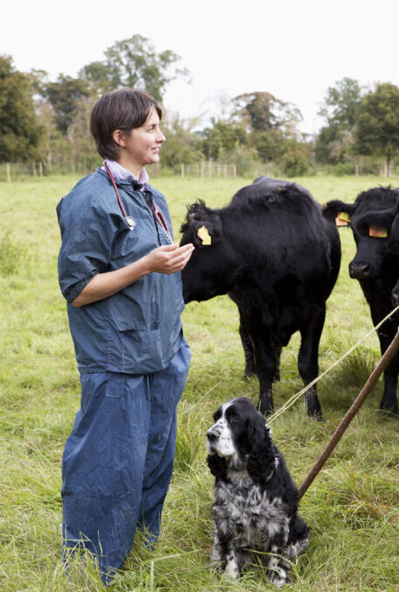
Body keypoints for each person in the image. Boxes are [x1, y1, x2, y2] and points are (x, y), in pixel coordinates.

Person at [56, 88, 195, 584]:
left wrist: (170, 267)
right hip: (115, 360)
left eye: (159, 125)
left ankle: (136, 549)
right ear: (120, 138)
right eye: (151, 128)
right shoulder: (88, 201)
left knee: (155, 460)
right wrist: (144, 265)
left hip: (160, 354)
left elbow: (155, 274)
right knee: (108, 467)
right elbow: (78, 289)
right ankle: (93, 566)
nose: (161, 136)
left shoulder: (151, 195)